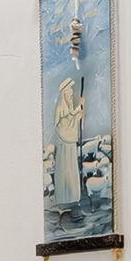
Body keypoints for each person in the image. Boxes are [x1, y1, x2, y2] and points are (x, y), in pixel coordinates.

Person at [51, 76, 84, 207]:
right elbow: (63, 124)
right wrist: (76, 112)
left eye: (71, 93)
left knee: (71, 168)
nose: (71, 96)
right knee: (65, 169)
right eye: (68, 93)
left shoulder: (69, 107)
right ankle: (65, 197)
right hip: (64, 145)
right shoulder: (60, 108)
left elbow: (72, 120)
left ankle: (73, 195)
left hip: (70, 146)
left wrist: (78, 115)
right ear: (63, 95)